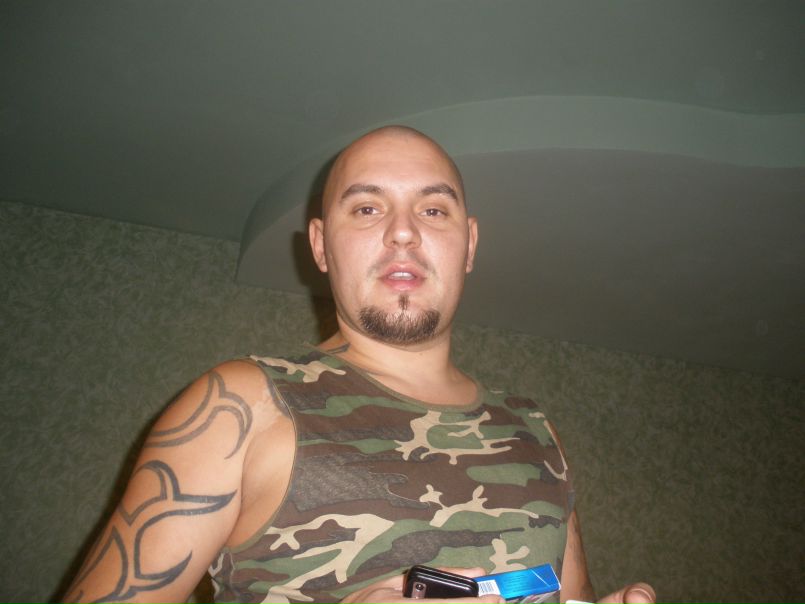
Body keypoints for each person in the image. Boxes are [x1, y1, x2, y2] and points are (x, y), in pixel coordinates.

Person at [63, 126, 655, 604]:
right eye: (368, 208)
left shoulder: (536, 430)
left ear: (470, 244)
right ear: (320, 245)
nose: (403, 233)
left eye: (433, 210)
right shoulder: (241, 405)